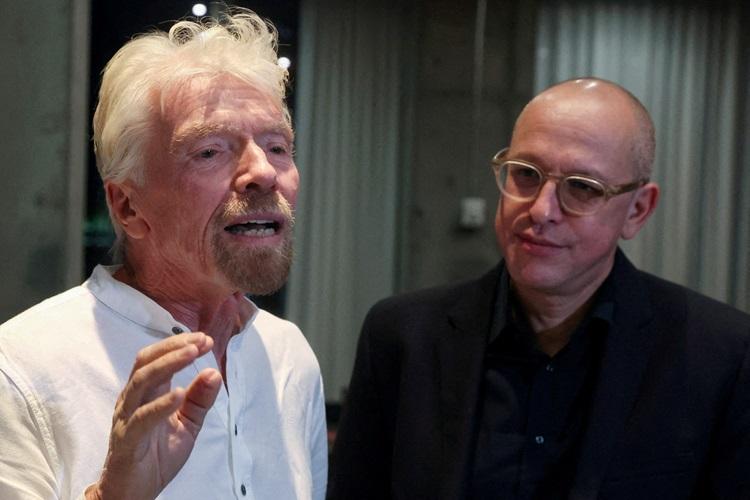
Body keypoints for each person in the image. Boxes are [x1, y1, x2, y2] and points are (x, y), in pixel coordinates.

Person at [328, 78, 750, 499]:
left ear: (637, 210)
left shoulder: (719, 356)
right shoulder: (403, 336)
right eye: (526, 174)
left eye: (582, 187)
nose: (541, 210)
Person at [0, 9, 327, 500]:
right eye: (210, 151)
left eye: (278, 147)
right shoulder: (21, 370)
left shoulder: (290, 356)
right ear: (128, 207)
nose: (263, 172)